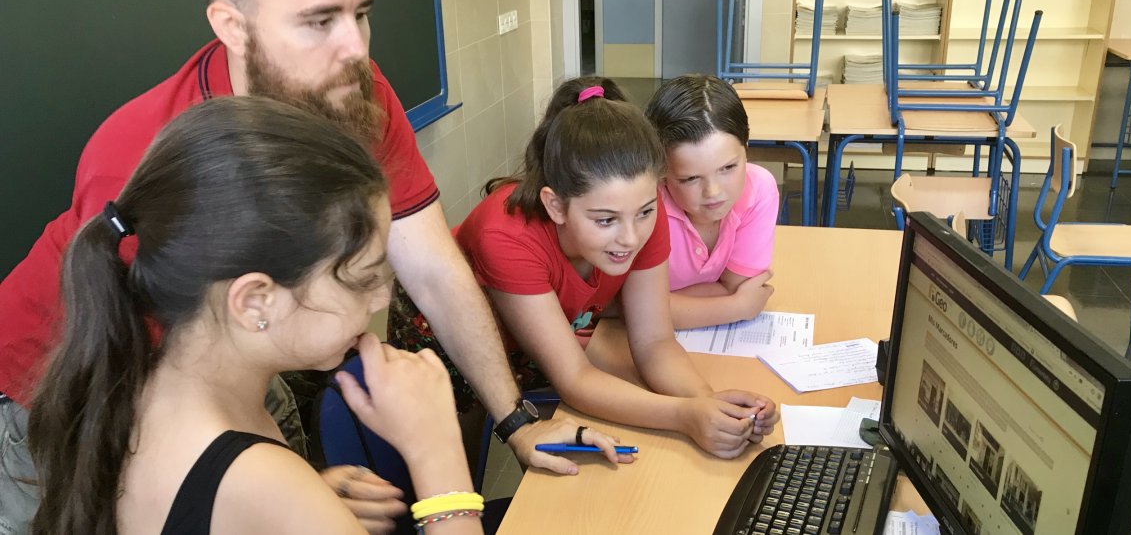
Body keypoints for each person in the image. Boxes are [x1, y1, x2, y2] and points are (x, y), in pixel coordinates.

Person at [0, 0, 571, 533]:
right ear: (232, 25)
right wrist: (276, 496)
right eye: (320, 20)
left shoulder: (349, 88)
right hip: (63, 398)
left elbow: (433, 267)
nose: (355, 48)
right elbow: (151, 451)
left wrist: (514, 417)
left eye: (363, 13)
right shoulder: (142, 162)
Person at [27, 97, 621, 535]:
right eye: (362, 280)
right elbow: (252, 497)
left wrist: (313, 495)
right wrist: (438, 455)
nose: (382, 300)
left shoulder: (155, 390)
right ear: (256, 301)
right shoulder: (257, 480)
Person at [449, 77, 780, 459]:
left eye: (645, 212)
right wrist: (685, 415)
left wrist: (712, 407)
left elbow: (654, 341)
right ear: (555, 206)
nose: (630, 238)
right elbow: (574, 378)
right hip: (457, 352)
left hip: (554, 339)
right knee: (455, 470)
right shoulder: (506, 234)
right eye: (605, 220)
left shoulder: (637, 212)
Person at [643, 75, 778, 329]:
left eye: (728, 167)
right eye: (690, 178)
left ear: (746, 146)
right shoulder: (644, 205)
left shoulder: (758, 189)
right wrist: (737, 306)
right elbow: (629, 308)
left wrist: (662, 304)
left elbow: (738, 285)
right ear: (662, 171)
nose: (713, 192)